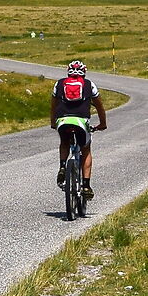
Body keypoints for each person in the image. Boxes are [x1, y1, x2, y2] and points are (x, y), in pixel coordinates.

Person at [48, 59, 108, 198]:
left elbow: (53, 105)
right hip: (81, 121)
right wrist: (102, 123)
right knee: (86, 149)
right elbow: (99, 106)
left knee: (64, 142)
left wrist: (53, 122)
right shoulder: (89, 85)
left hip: (62, 120)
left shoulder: (59, 84)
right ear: (84, 72)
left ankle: (63, 166)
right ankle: (86, 186)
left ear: (68, 72)